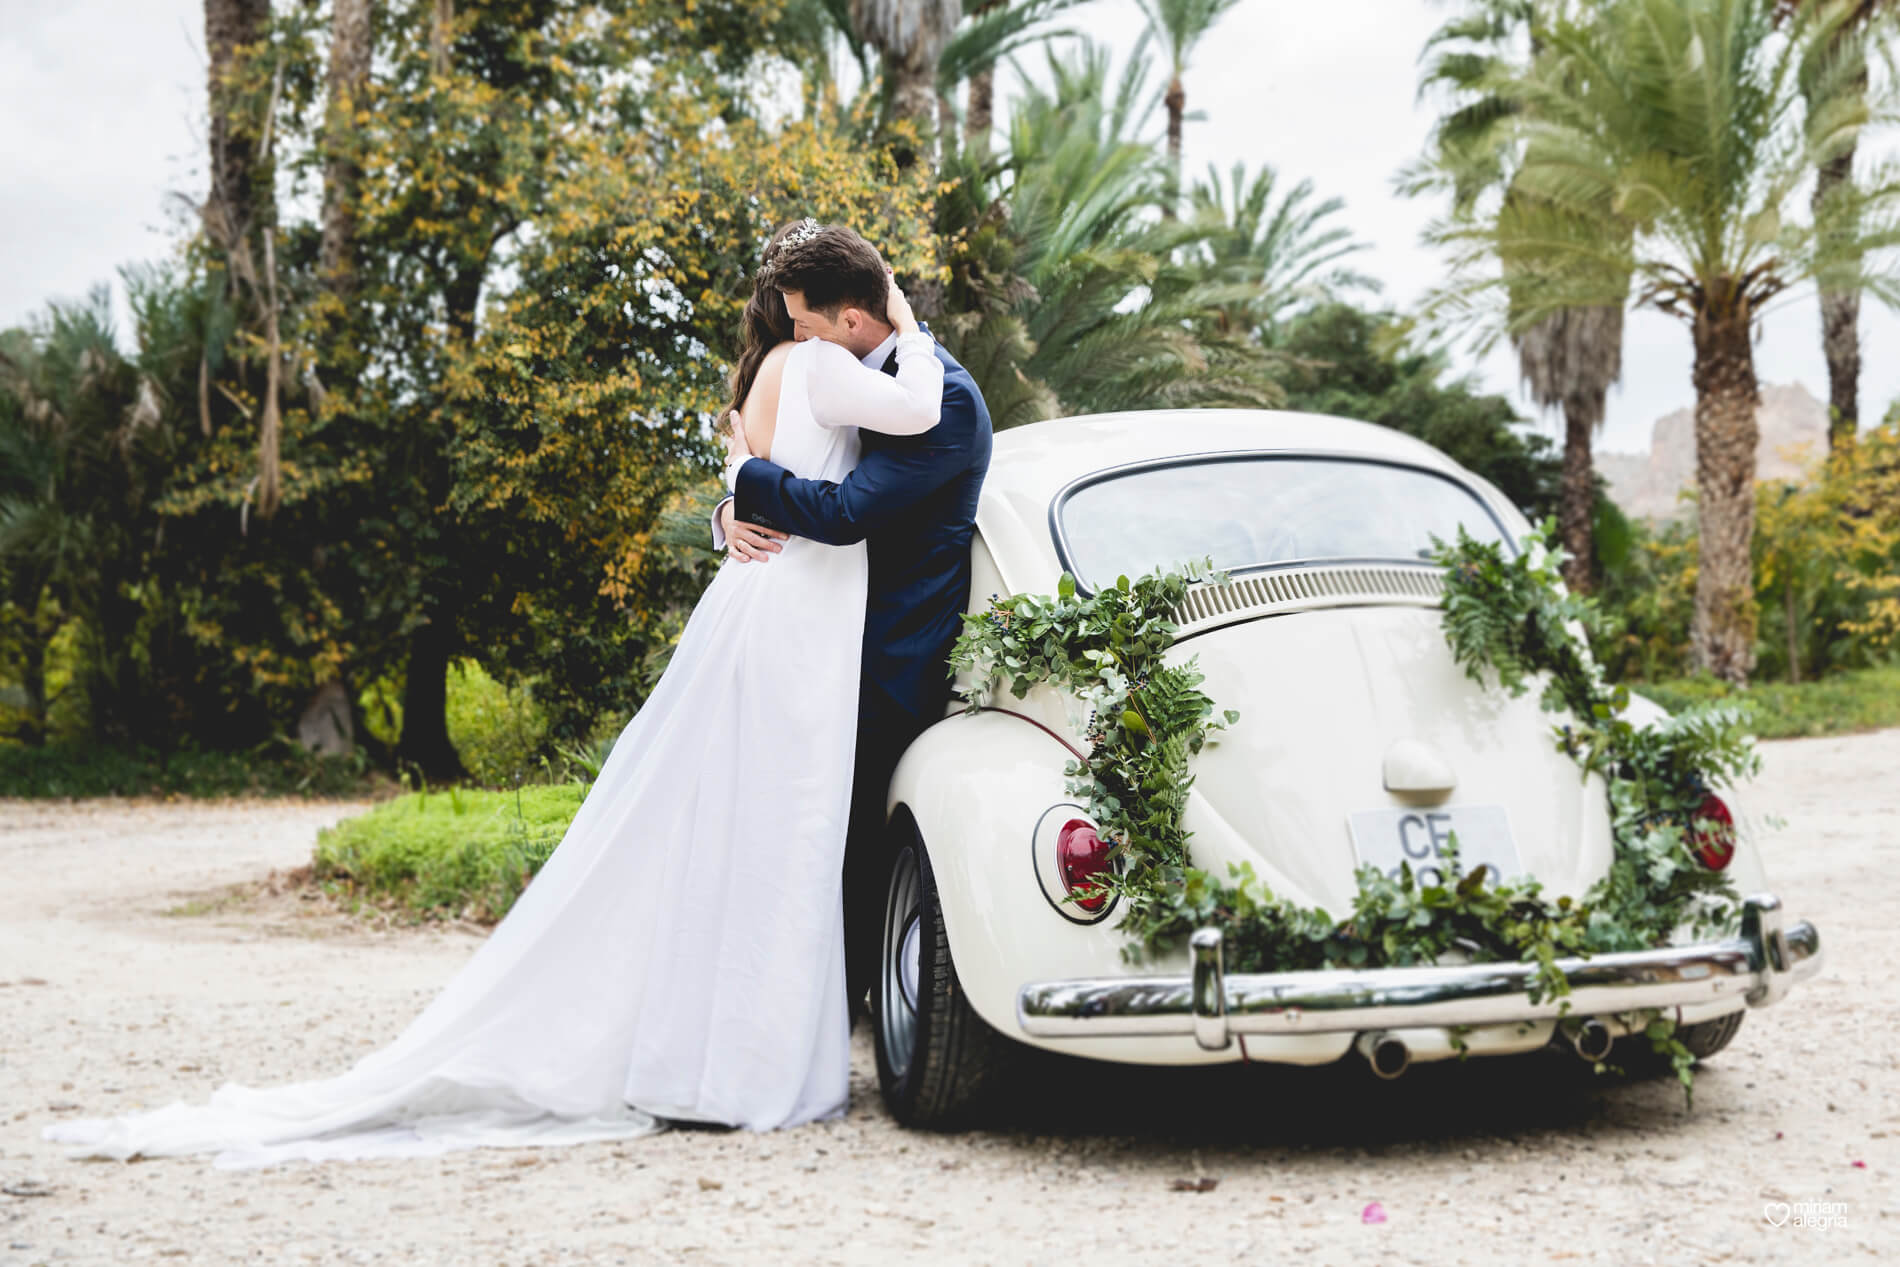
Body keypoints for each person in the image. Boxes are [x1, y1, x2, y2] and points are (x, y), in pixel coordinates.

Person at [41, 217, 948, 1169]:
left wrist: (730, 512)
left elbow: (745, 476)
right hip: (798, 622)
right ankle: (753, 1070)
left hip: (757, 612)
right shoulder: (817, 365)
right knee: (779, 829)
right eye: (811, 311)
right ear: (822, 308)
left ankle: (715, 1062)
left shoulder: (759, 380)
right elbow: (922, 410)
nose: (813, 322)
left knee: (727, 828)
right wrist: (903, 310)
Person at [712, 226, 993, 1027]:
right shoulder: (854, 372)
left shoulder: (946, 405)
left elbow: (842, 512)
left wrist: (747, 474)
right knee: (795, 815)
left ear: (852, 321)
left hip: (890, 653)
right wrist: (730, 511)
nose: (795, 337)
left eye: (805, 323)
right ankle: (796, 1002)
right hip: (814, 634)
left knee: (852, 832)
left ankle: (833, 1010)